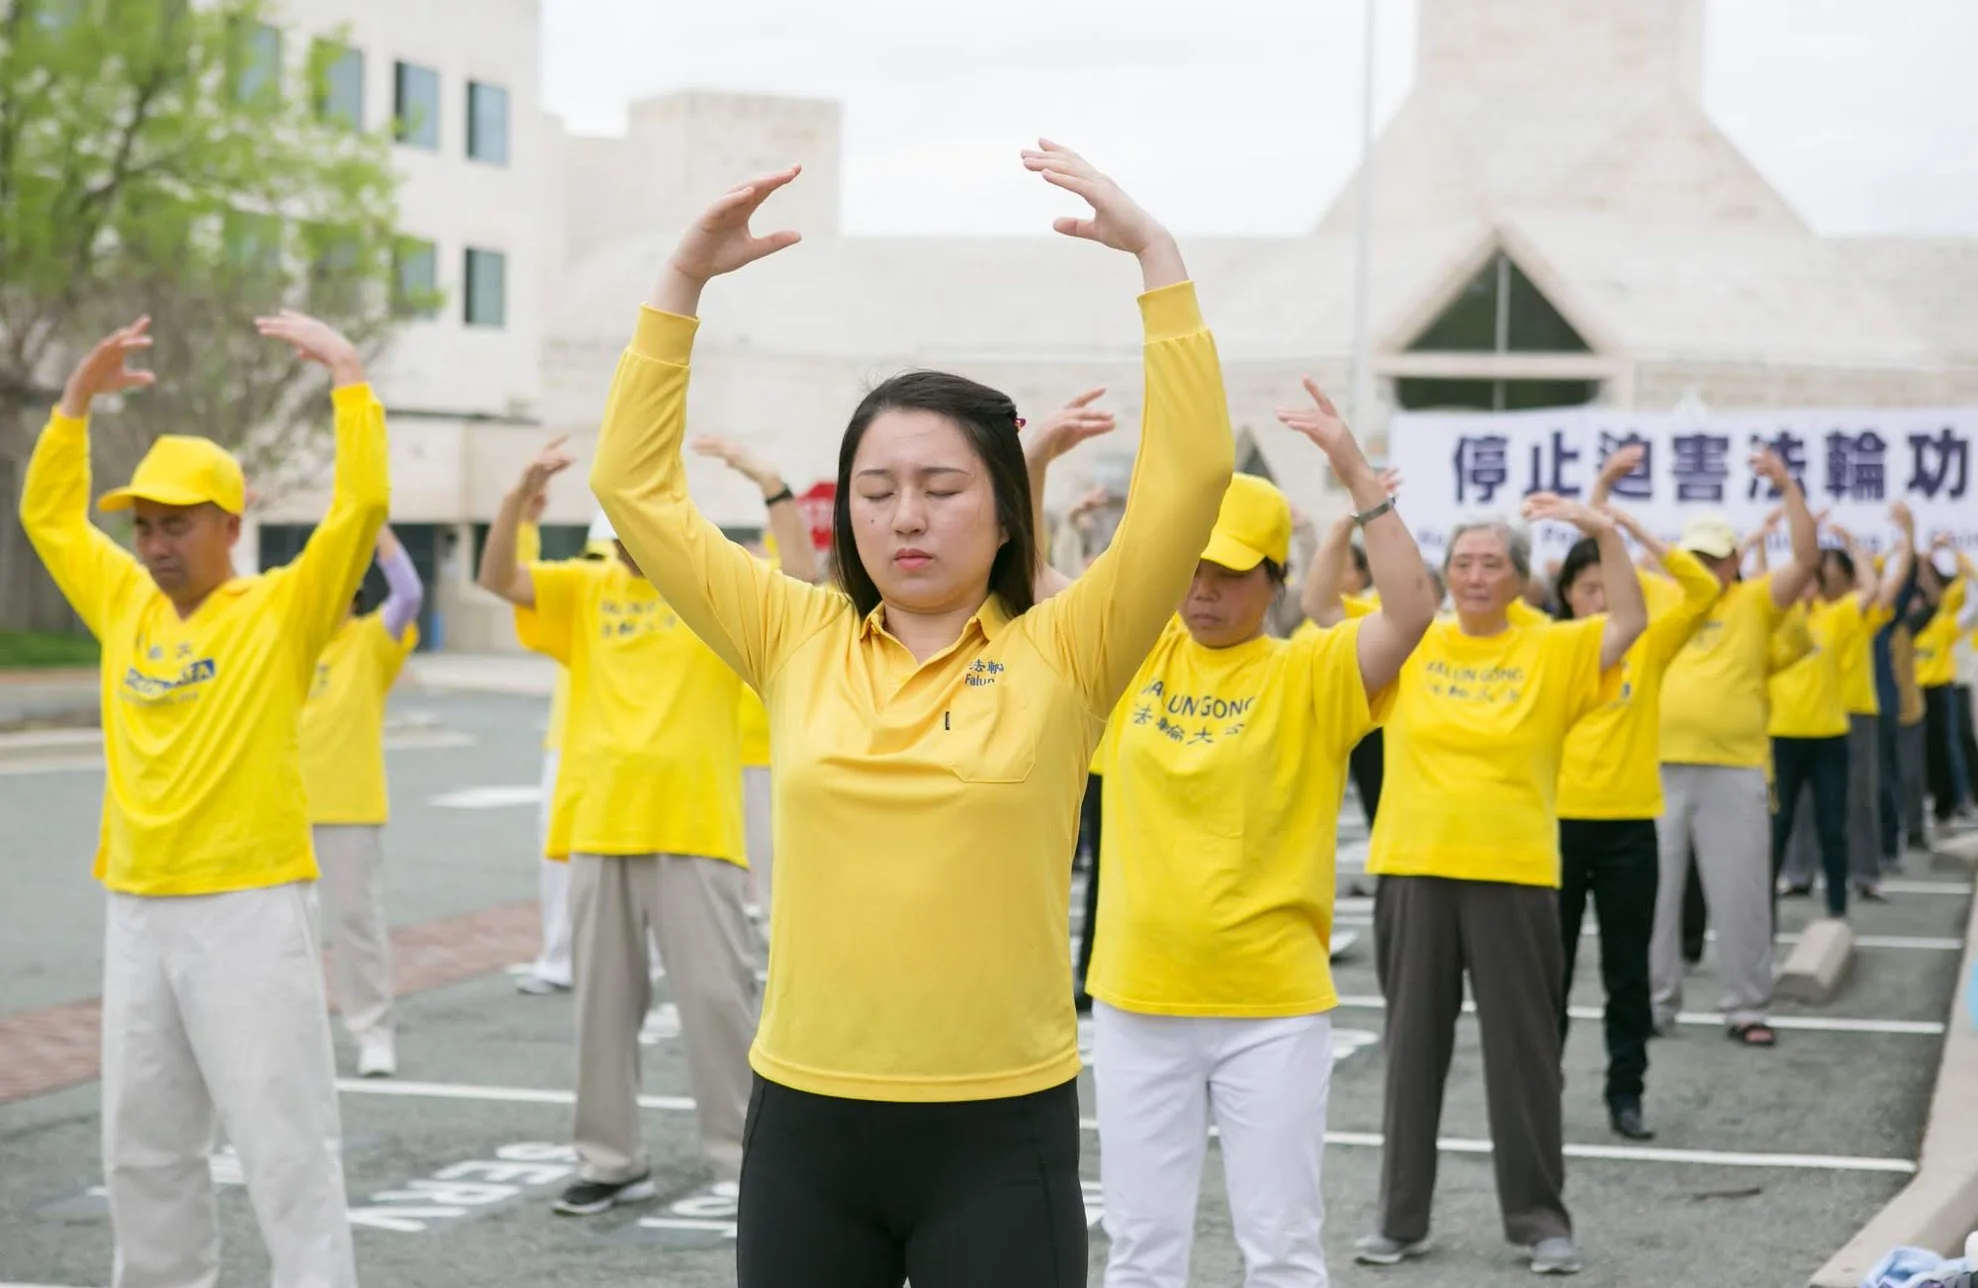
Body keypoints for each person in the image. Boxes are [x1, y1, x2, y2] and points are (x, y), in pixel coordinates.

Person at [589, 145, 1233, 1286]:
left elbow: (1187, 482)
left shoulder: (1071, 650)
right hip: (805, 1123)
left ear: (1003, 513)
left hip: (998, 1127)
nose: (906, 518)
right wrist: (680, 283)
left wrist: (1158, 260)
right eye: (877, 491)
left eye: (942, 489)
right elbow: (636, 493)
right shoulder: (794, 638)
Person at [23, 312, 386, 1287]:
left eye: (175, 524)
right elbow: (50, 519)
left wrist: (348, 376)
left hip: (247, 908)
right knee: (143, 1150)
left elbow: (356, 514)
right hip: (138, 909)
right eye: (142, 524)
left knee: (285, 1146)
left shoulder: (280, 610)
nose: (153, 544)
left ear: (232, 523)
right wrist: (72, 406)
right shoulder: (125, 602)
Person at [1075, 383, 1433, 1288]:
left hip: (1270, 1008)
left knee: (1280, 1252)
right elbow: (1037, 598)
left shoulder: (1312, 674)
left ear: (1275, 578)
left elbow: (1411, 611)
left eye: (1230, 570)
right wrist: (1035, 464)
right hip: (1136, 1000)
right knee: (1141, 1252)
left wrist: (1355, 475)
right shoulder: (1134, 658)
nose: (1203, 588)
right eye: (1192, 566)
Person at [480, 436, 794, 1218]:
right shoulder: (584, 591)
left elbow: (808, 582)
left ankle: (740, 1160)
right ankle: (611, 1160)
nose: (622, 547)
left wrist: (773, 488)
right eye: (613, 533)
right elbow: (496, 578)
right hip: (599, 823)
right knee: (600, 1011)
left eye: (635, 531)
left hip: (694, 826)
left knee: (719, 1004)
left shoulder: (719, 590)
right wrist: (518, 497)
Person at [1354, 496, 1646, 1276]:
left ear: (1521, 579)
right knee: (1412, 1054)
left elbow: (1630, 622)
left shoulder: (1553, 648)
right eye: (1462, 563)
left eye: (1492, 564)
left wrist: (1606, 533)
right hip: (1415, 867)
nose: (1476, 576)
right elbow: (1321, 607)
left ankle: (1540, 1221)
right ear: (1443, 575)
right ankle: (1400, 1217)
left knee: (1525, 1059)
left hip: (1513, 875)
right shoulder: (1414, 637)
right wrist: (1361, 505)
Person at [1549, 447, 1720, 1141]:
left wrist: (1636, 534)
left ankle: (1627, 1093)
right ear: (1565, 595)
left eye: (1607, 586)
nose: (1598, 597)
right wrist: (1598, 507)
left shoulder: (1646, 646)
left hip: (1628, 830)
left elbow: (1704, 591)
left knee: (1627, 975)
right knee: (1548, 977)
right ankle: (1541, 1092)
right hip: (1554, 830)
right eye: (1585, 588)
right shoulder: (1546, 646)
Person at [1648, 450, 1821, 1047]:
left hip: (1735, 769)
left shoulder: (1754, 603)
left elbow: (1806, 558)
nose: (1703, 567)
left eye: (1714, 559)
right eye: (1692, 557)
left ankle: (1747, 1006)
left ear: (1733, 563)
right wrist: (1605, 491)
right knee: (1654, 898)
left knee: (1742, 896)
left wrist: (1786, 486)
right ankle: (1653, 1004)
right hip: (1656, 768)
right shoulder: (1660, 599)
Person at [300, 525, 424, 1078]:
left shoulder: (371, 640)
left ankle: (372, 1033)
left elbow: (410, 597)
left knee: (354, 926)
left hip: (349, 808)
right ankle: (296, 1038)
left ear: (353, 596)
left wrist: (377, 533)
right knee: (284, 934)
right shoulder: (287, 644)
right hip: (281, 810)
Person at [692, 436, 824, 922]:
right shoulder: (699, 591)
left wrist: (770, 485)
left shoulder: (762, 590)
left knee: (775, 852)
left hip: (767, 746)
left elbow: (801, 572)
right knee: (738, 857)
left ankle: (778, 928)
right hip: (715, 751)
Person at [1776, 510, 1912, 902]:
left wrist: (1856, 544)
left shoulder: (1854, 614)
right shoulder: (1802, 615)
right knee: (1801, 801)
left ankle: (1865, 873)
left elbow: (1884, 585)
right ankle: (1799, 872)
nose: (1828, 576)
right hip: (1810, 716)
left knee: (1860, 797)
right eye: (1823, 570)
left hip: (1857, 712)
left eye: (1835, 570)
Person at [513, 493, 595, 997]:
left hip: (622, 744)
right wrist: (524, 524)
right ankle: (560, 957)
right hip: (568, 741)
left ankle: (645, 956)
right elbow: (527, 583)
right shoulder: (585, 585)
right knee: (559, 855)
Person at [1916, 541, 1974, 828]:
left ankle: (1955, 802)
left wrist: (1954, 551)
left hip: (1940, 689)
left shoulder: (1943, 623)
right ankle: (1934, 805)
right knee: (1923, 752)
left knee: (1948, 747)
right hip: (1914, 694)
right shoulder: (1909, 627)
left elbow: (1973, 605)